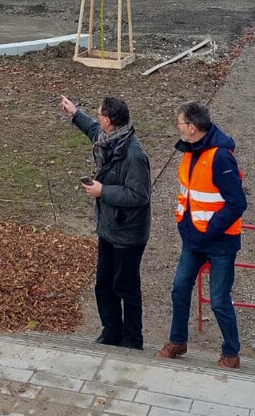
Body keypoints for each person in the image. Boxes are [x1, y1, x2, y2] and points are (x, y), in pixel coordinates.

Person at [157, 100, 247, 370]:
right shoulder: (191, 150)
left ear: (193, 128)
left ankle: (231, 353)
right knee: (179, 289)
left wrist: (210, 228)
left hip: (218, 242)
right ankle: (178, 341)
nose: (177, 127)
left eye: (180, 123)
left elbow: (237, 202)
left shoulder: (220, 157)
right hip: (193, 239)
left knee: (219, 300)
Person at [60, 94, 152, 349]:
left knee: (126, 286)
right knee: (104, 283)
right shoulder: (109, 139)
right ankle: (111, 331)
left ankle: (132, 339)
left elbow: (140, 195)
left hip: (128, 234)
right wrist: (75, 113)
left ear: (109, 120)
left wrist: (103, 192)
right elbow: (92, 129)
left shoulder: (134, 155)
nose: (98, 118)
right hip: (109, 228)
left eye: (100, 114)